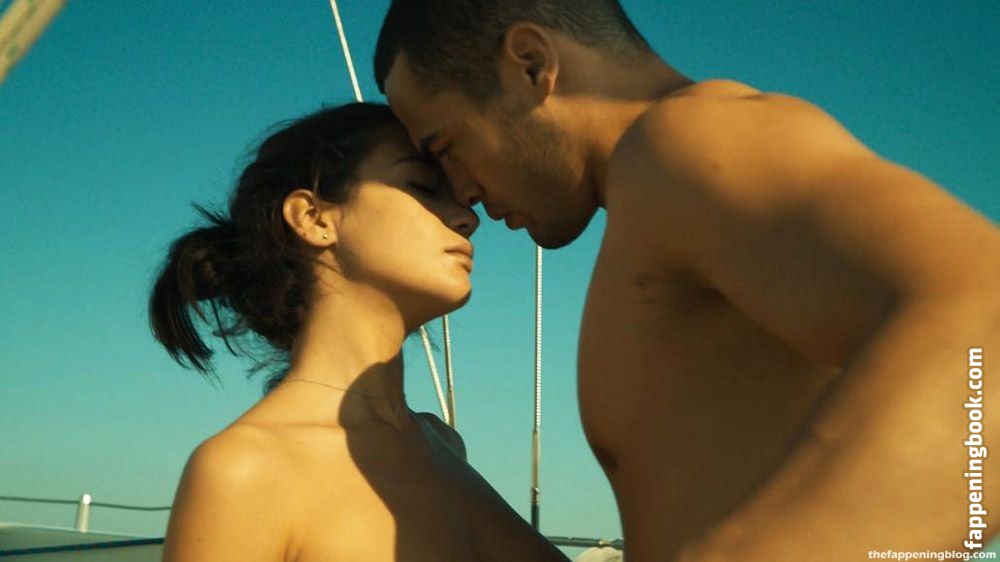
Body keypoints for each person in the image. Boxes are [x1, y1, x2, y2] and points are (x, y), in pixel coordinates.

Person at [373, 1, 1000, 560]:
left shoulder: (687, 139)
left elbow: (985, 316)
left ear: (533, 65)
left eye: (446, 146)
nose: (462, 193)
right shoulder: (653, 195)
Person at [150, 102, 571, 562]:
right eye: (423, 186)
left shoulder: (442, 443)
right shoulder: (242, 469)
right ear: (314, 218)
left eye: (460, 199)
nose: (467, 218)